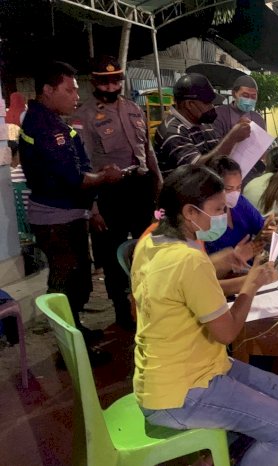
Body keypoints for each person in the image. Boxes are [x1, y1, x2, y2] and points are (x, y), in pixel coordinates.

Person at [131, 165, 278, 466]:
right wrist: (249, 287)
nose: (225, 216)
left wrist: (251, 279)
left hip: (178, 371)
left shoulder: (150, 243)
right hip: (180, 391)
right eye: (218, 209)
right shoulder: (187, 260)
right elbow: (226, 333)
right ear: (190, 212)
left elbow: (197, 290)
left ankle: (218, 456)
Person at [19, 61, 123, 361]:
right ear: (48, 90)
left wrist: (92, 204)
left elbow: (77, 170)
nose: (75, 97)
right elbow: (74, 178)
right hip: (56, 221)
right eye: (68, 90)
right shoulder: (46, 127)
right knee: (66, 283)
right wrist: (105, 176)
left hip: (68, 216)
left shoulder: (51, 120)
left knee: (78, 279)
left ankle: (76, 330)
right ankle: (70, 354)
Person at [71, 56, 163, 331]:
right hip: (109, 193)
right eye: (105, 81)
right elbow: (83, 165)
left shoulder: (134, 108)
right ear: (94, 82)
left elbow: (147, 150)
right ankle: (123, 312)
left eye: (116, 80)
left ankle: (151, 303)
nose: (112, 86)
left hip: (141, 187)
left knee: (148, 247)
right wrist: (93, 208)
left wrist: (158, 182)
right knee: (113, 256)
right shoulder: (83, 116)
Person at [153, 73, 251, 177]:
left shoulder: (202, 123)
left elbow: (215, 152)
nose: (212, 107)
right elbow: (197, 171)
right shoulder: (172, 131)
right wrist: (231, 138)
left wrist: (234, 135)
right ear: (189, 104)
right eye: (207, 103)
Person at [204, 156, 268, 257]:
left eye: (238, 187)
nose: (235, 193)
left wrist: (268, 229)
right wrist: (234, 257)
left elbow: (261, 226)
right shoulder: (204, 217)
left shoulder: (240, 203)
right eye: (228, 189)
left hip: (249, 268)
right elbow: (207, 264)